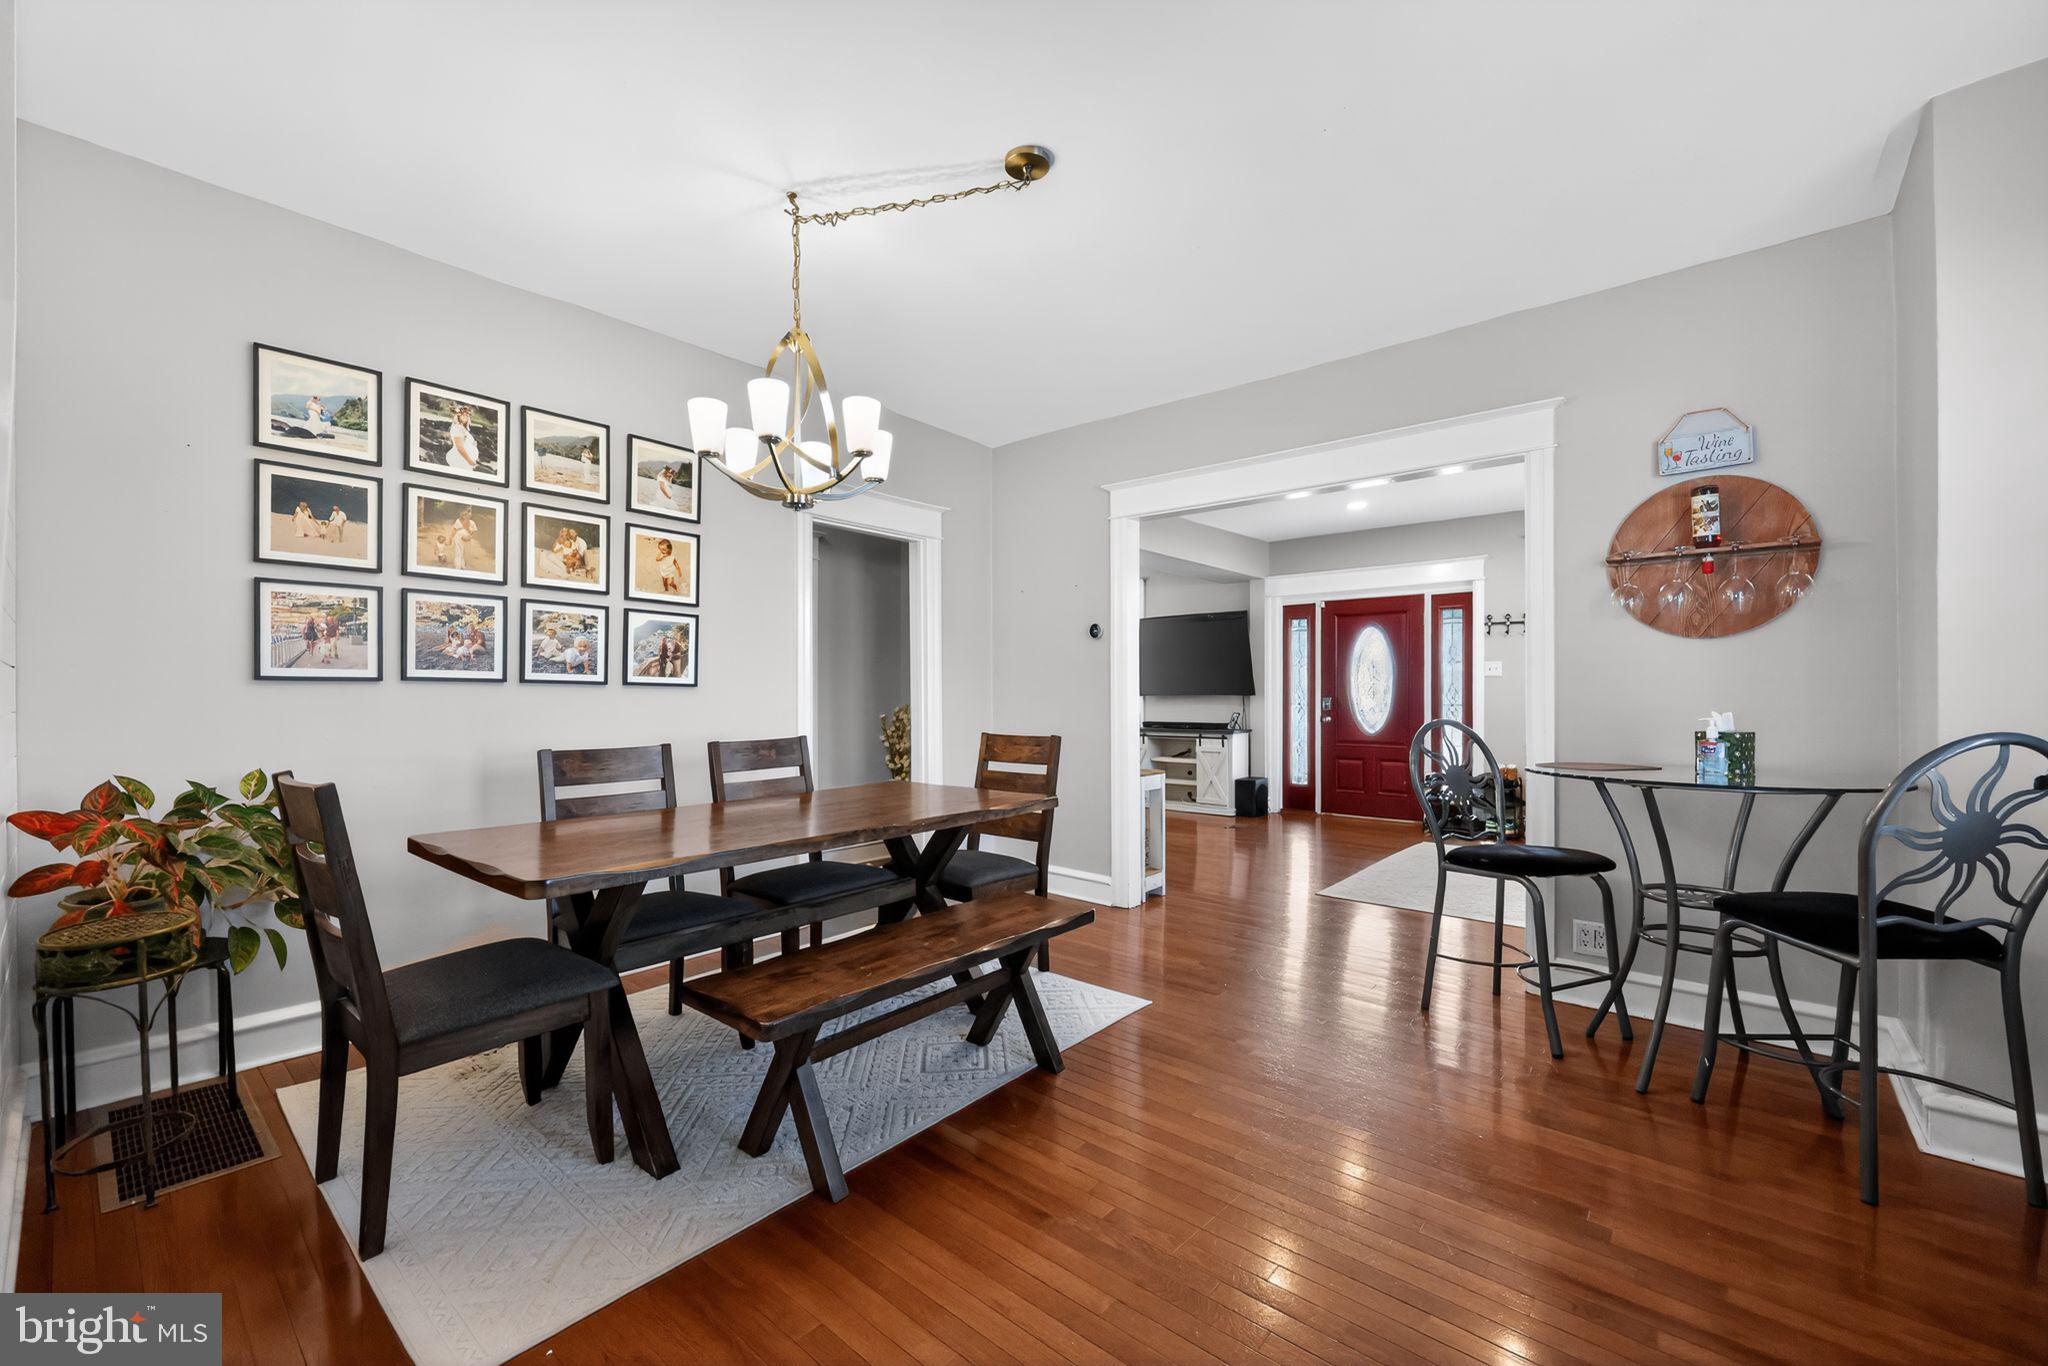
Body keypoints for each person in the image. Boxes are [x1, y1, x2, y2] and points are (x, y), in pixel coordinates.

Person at [444, 404, 481, 474]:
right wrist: (471, 462)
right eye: (462, 415)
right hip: (460, 459)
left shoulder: (463, 429)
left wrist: (472, 444)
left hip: (464, 460)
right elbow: (460, 448)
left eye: (466, 415)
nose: (465, 416)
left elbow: (464, 443)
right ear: (458, 416)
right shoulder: (457, 428)